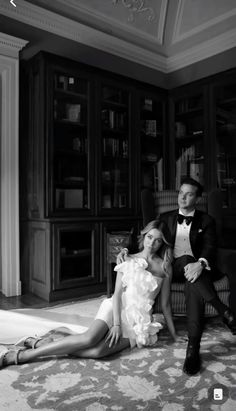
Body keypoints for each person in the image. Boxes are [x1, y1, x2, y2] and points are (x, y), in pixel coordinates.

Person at [0, 219, 178, 369]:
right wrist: (116, 324)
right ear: (144, 235)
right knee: (89, 339)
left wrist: (175, 335)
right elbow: (116, 294)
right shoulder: (128, 258)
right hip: (116, 309)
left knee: (98, 352)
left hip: (139, 322)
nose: (152, 243)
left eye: (158, 240)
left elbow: (165, 305)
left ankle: (43, 343)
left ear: (163, 243)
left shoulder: (165, 266)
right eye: (149, 237)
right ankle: (23, 356)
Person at [117, 177, 236, 376]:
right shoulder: (165, 217)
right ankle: (225, 312)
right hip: (172, 268)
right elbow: (144, 233)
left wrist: (201, 263)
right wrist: (125, 248)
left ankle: (193, 349)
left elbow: (210, 247)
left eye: (189, 194)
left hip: (199, 271)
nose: (183, 197)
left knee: (193, 285)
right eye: (181, 193)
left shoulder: (206, 220)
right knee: (188, 259)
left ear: (197, 198)